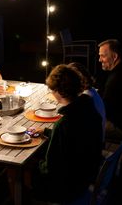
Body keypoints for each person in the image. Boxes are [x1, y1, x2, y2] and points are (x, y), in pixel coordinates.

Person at [25, 64, 103, 204]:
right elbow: (73, 138)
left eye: (52, 89)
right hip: (85, 174)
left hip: (66, 187)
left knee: (21, 167)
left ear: (58, 91)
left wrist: (35, 164)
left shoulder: (65, 122)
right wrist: (48, 132)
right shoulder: (88, 108)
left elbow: (50, 168)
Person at [67, 62, 106, 142]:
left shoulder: (85, 99)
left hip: (90, 146)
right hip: (97, 140)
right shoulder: (92, 91)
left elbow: (71, 130)